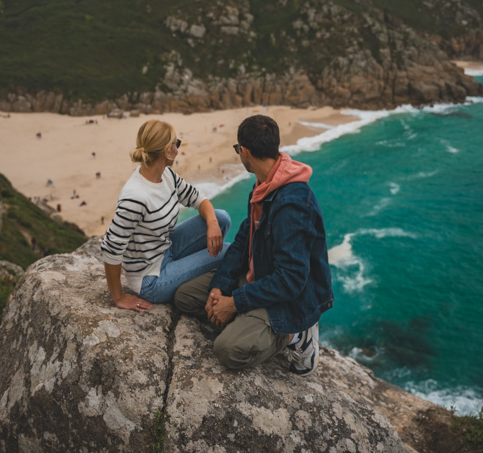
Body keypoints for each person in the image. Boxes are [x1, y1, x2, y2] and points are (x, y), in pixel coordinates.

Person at [174, 115, 333, 376]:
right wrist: (220, 286)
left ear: (244, 152)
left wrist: (234, 302)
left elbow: (291, 280)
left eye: (238, 149)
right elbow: (242, 241)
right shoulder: (263, 185)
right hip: (257, 278)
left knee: (228, 350)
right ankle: (247, 319)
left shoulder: (292, 204)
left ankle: (297, 336)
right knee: (185, 298)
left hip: (287, 299)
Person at [101, 120, 231, 313]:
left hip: (165, 250)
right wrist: (118, 297)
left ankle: (202, 270)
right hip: (150, 279)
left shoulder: (167, 175)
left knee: (221, 218)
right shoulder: (136, 196)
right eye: (176, 143)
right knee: (228, 251)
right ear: (168, 151)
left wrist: (212, 223)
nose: (178, 149)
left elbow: (198, 199)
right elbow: (111, 248)